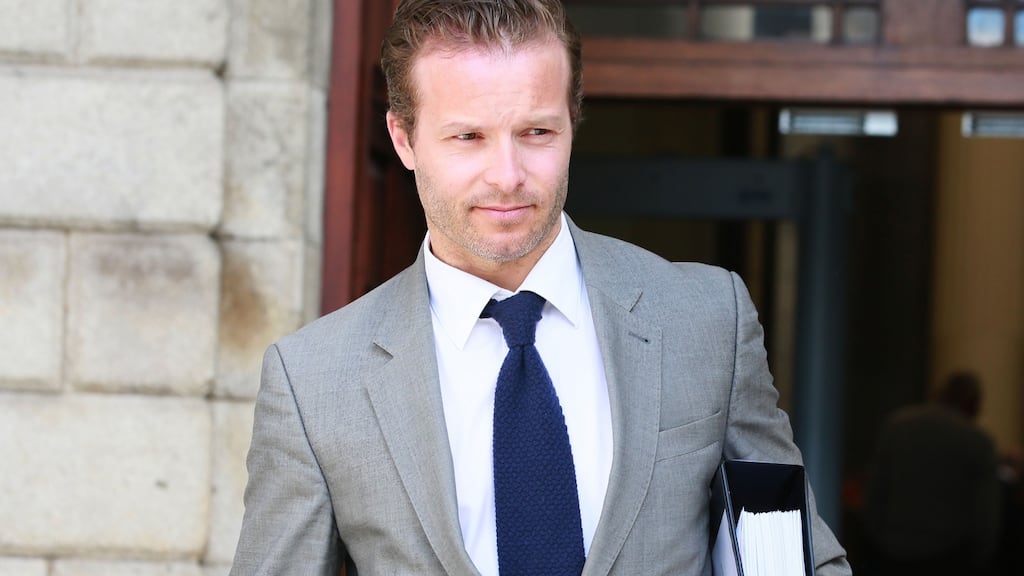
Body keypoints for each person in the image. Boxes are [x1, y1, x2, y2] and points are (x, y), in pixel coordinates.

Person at [229, 1, 851, 574]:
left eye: (537, 134)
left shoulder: (705, 320)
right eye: (468, 137)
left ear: (573, 125)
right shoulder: (313, 382)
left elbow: (798, 560)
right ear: (403, 139)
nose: (507, 177)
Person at [863, 371, 1000, 576]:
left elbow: (875, 490)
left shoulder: (897, 425)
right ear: (974, 403)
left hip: (891, 552)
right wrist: (980, 557)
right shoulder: (977, 441)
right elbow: (985, 514)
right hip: (949, 557)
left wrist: (874, 539)